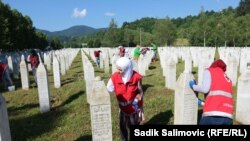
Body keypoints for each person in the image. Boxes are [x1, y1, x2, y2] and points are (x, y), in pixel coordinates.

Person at [107, 57, 145, 141]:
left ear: (127, 69)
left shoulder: (136, 77)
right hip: (122, 109)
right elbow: (109, 89)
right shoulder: (115, 77)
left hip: (134, 108)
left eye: (120, 69)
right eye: (117, 68)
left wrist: (136, 100)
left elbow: (140, 92)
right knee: (122, 127)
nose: (118, 71)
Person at [189, 59, 233, 125]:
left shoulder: (210, 71)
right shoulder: (228, 80)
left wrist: (193, 86)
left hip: (212, 116)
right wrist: (202, 103)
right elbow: (220, 100)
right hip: (228, 117)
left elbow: (205, 89)